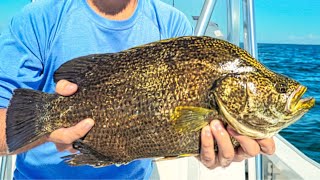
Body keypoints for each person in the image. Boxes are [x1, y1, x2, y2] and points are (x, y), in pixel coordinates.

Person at [0, 0, 275, 179]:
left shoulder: (172, 24)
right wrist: (48, 131)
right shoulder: (38, 19)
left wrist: (215, 150)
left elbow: (176, 131)